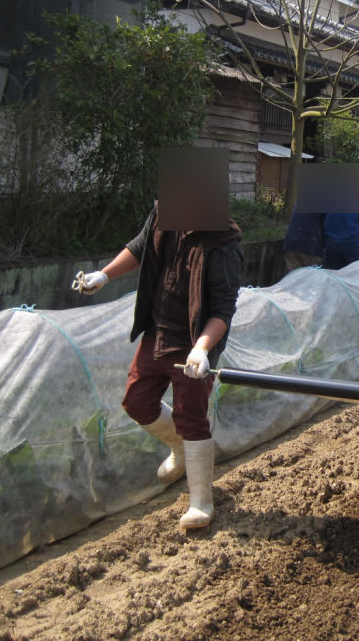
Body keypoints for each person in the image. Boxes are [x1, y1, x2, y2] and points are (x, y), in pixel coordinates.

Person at [74, 202, 243, 529]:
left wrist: (202, 349)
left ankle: (201, 502)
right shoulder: (164, 214)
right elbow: (140, 248)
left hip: (193, 343)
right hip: (158, 331)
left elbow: (222, 310)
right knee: (136, 400)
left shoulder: (224, 247)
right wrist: (104, 274)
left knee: (191, 416)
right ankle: (179, 446)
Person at [282, 208, 325, 274]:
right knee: (313, 281)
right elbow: (329, 226)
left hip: (290, 244)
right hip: (310, 246)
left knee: (294, 280)